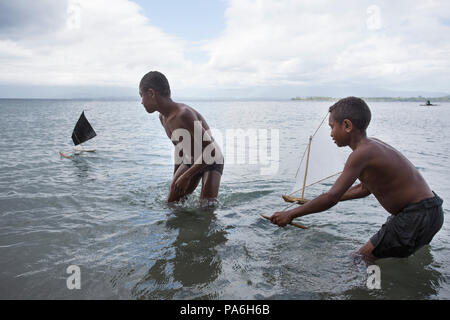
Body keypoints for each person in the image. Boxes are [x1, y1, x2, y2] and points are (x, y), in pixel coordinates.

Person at [270, 97, 443, 262]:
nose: (331, 134)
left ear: (346, 125)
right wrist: (317, 200)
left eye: (332, 127)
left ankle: (361, 292)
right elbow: (364, 189)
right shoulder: (372, 146)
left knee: (360, 258)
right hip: (432, 211)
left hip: (414, 215)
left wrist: (290, 214)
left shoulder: (360, 154)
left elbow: (331, 198)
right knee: (397, 255)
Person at [139, 71, 223, 204]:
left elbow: (211, 151)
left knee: (206, 208)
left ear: (151, 93)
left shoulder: (183, 114)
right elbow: (179, 149)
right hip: (191, 159)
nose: (141, 102)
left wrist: (186, 176)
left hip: (212, 160)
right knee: (171, 203)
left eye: (141, 95)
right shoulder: (163, 118)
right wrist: (176, 176)